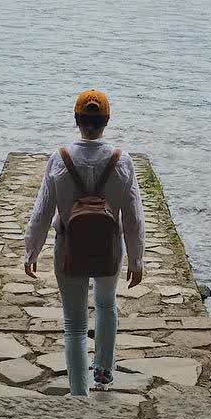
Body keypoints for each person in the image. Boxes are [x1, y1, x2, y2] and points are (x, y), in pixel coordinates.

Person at [23, 88, 145, 397]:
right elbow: (133, 217)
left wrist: (31, 251)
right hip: (110, 250)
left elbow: (42, 210)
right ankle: (103, 375)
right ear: (107, 120)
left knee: (74, 324)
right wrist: (137, 259)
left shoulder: (60, 159)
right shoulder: (122, 161)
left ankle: (79, 394)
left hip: (68, 250)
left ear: (77, 119)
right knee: (106, 305)